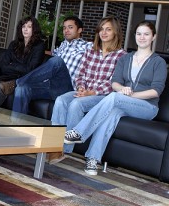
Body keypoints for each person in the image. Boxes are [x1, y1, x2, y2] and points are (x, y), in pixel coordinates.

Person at [63, 21, 166, 175]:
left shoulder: (158, 62)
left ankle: (79, 132)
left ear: (153, 37)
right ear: (135, 36)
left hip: (147, 107)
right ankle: (92, 159)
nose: (142, 37)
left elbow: (156, 91)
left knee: (113, 97)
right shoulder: (126, 58)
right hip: (123, 102)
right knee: (111, 115)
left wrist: (131, 95)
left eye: (146, 34)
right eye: (139, 34)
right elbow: (115, 82)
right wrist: (122, 90)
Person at [49, 16, 126, 164]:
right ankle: (53, 146)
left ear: (115, 32)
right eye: (102, 29)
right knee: (61, 100)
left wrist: (92, 92)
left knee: (76, 104)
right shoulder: (91, 51)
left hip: (103, 96)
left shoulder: (121, 56)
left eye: (108, 29)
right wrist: (81, 87)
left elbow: (114, 82)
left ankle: (65, 149)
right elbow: (80, 73)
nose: (104, 33)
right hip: (84, 91)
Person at [12, 15, 93, 114]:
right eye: (64, 28)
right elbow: (50, 56)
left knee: (57, 61)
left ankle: (15, 82)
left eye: (70, 27)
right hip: (50, 86)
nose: (66, 30)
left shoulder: (89, 46)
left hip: (68, 88)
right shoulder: (63, 45)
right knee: (22, 88)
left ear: (80, 30)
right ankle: (16, 125)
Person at [0, 16, 45, 106]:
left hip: (23, 81)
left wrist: (12, 65)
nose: (25, 29)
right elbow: (3, 67)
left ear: (34, 29)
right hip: (6, 78)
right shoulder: (13, 44)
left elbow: (31, 69)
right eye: (23, 26)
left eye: (29, 27)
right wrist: (20, 67)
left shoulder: (39, 46)